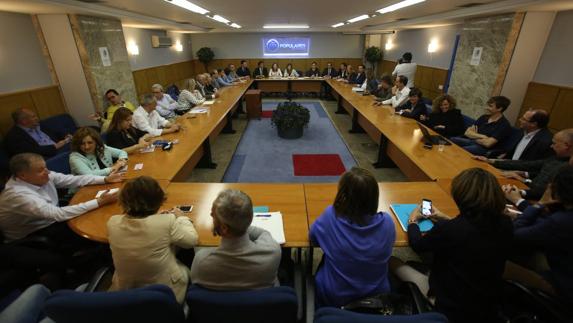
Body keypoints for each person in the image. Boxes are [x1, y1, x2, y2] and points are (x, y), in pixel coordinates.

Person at [391, 168, 513, 323]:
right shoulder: (506, 224)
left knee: (392, 261)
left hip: (450, 306)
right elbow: (472, 232)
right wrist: (444, 218)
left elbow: (417, 244)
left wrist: (412, 221)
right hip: (486, 304)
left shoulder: (452, 230)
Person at [310, 167, 395, 307]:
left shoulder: (331, 216)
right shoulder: (387, 222)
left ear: (343, 195)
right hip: (377, 299)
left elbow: (313, 238)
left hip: (335, 298)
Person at [108, 176, 198, 304]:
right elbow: (191, 241)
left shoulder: (112, 222)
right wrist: (181, 218)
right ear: (159, 200)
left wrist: (156, 218)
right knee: (185, 249)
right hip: (164, 294)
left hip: (126, 292)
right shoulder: (167, 222)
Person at [0, 153, 121, 243]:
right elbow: (57, 214)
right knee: (97, 227)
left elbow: (74, 179)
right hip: (33, 233)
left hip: (51, 219)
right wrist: (99, 202)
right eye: (40, 170)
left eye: (45, 167)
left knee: (95, 216)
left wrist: (105, 179)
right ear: (23, 176)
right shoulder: (17, 195)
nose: (47, 172)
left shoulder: (41, 175)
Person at [503, 165, 573, 304]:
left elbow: (515, 234)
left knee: (495, 262)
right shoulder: (564, 217)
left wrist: (539, 203)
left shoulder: (560, 221)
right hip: (563, 266)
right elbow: (545, 224)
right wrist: (523, 210)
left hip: (562, 287)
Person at [190, 189, 281, 290]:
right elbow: (264, 233)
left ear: (224, 228)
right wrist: (240, 224)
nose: (211, 215)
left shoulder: (201, 262)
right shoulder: (273, 252)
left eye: (213, 214)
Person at [484, 129, 573, 200]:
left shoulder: (568, 169)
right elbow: (528, 164)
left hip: (536, 201)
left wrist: (523, 182)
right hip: (527, 192)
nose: (551, 146)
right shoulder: (556, 157)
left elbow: (547, 190)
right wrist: (492, 162)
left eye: (554, 143)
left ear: (566, 146)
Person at [4, 108, 72, 158]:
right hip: (47, 156)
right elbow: (32, 152)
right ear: (24, 121)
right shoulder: (14, 137)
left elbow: (57, 131)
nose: (37, 118)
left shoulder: (39, 124)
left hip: (61, 148)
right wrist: (55, 146)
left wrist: (65, 135)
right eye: (33, 116)